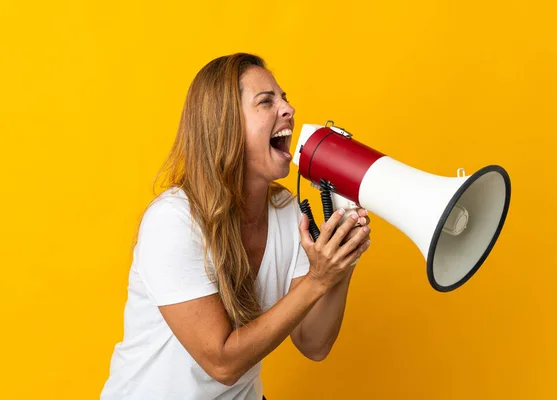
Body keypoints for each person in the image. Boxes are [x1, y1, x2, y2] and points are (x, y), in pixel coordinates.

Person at [100, 53, 372, 400]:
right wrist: (319, 277)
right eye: (266, 101)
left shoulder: (287, 212)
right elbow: (223, 362)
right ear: (225, 125)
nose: (288, 109)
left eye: (284, 98)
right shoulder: (173, 221)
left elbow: (314, 343)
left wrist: (340, 264)